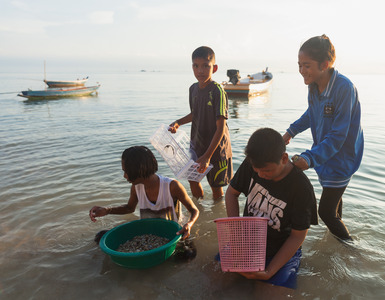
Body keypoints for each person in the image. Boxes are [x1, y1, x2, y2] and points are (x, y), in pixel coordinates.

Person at [282, 34, 364, 241]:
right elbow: (312, 113)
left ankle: (353, 252)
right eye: (299, 65)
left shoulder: (344, 89)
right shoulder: (314, 86)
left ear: (324, 64)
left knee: (325, 212)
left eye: (306, 65)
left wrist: (309, 158)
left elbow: (338, 136)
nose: (301, 71)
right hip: (325, 155)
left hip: (342, 157)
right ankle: (336, 245)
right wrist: (291, 132)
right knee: (334, 208)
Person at [225, 128, 318, 289]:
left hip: (281, 251)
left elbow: (297, 236)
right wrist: (237, 234)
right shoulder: (252, 163)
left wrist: (269, 271)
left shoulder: (301, 188)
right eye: (257, 170)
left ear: (284, 158)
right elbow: (231, 194)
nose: (260, 175)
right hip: (248, 243)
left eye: (267, 170)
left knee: (270, 292)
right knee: (217, 284)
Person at [89, 146, 199, 242]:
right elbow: (129, 208)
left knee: (188, 255)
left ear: (139, 170)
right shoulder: (136, 187)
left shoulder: (172, 186)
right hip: (149, 232)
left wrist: (189, 224)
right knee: (101, 236)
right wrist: (107, 210)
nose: (124, 176)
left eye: (126, 172)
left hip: (174, 232)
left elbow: (194, 210)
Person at [168, 46, 233, 200]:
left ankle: (216, 217)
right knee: (192, 178)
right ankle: (200, 210)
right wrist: (178, 122)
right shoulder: (193, 89)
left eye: (205, 66)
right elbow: (195, 113)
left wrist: (207, 156)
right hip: (198, 145)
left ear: (214, 68)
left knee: (216, 188)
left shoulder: (218, 91)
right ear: (192, 67)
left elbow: (221, 127)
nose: (200, 71)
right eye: (196, 66)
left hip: (216, 151)